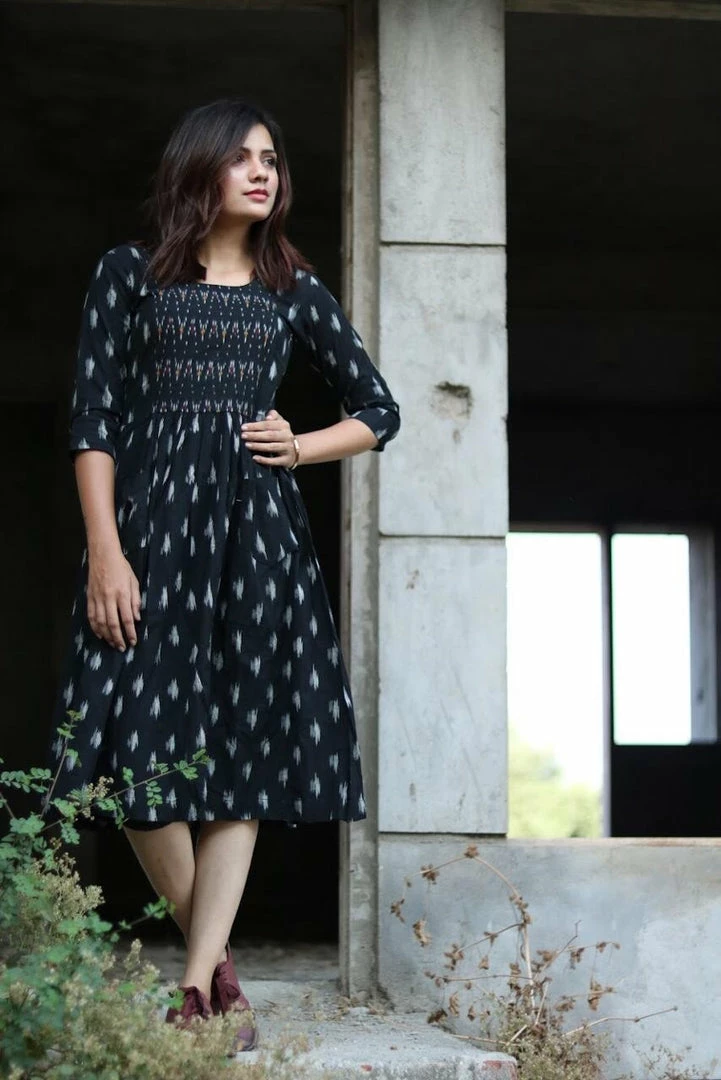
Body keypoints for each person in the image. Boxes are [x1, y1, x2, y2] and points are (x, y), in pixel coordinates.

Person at [44, 98, 400, 1051]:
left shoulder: (294, 290)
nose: (260, 172)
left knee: (237, 760)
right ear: (198, 167)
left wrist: (301, 444)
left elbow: (378, 410)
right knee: (135, 761)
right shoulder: (129, 273)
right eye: (241, 157)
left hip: (257, 543)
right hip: (148, 539)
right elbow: (92, 419)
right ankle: (223, 971)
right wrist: (106, 551)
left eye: (270, 159)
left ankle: (199, 986)